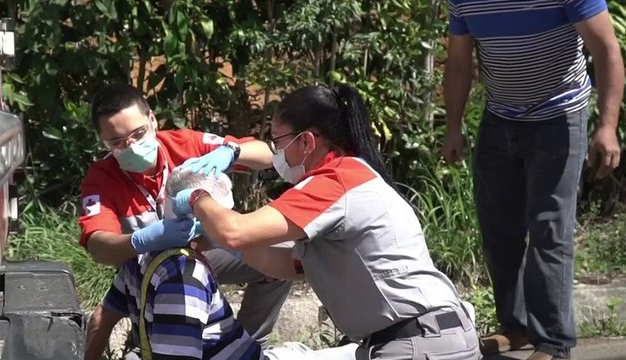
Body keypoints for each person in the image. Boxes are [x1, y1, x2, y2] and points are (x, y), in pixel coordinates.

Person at [170, 84, 482, 359]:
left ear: (306, 142)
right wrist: (225, 243)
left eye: (278, 144)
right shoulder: (354, 174)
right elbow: (292, 266)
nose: (276, 155)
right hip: (431, 338)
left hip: (417, 343)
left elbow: (235, 232)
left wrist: (198, 198)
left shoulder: (334, 181)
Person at [441, 1, 624, 359]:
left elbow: (606, 48)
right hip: (500, 116)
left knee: (549, 230)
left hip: (559, 116)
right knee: (499, 229)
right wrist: (453, 126)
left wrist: (607, 125)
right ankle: (516, 326)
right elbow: (460, 63)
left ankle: (553, 343)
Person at [80, 83, 291, 360]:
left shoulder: (186, 145)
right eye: (117, 143)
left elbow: (269, 155)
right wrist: (143, 239)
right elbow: (99, 247)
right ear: (103, 142)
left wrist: (231, 152)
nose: (130, 146)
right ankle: (149, 337)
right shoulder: (101, 179)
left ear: (152, 119)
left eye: (138, 134)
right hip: (148, 266)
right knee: (158, 303)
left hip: (207, 248)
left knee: (282, 254)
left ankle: (247, 338)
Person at [92, 166, 359, 360]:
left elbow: (100, 319)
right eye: (225, 212)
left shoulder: (137, 259)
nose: (232, 220)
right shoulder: (185, 276)